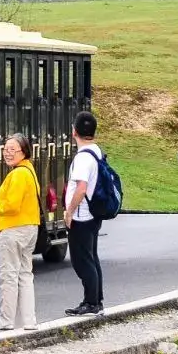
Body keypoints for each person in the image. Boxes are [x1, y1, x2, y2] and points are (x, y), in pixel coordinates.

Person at [0, 134, 39, 331]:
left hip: (13, 230)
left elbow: (12, 205)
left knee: (8, 275)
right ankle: (29, 320)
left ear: (23, 152)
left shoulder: (17, 175)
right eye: (6, 149)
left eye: (12, 150)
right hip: (30, 228)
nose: (8, 153)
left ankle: (6, 319)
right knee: (25, 274)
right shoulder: (29, 171)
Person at [64, 110, 105, 316]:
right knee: (92, 256)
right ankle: (96, 299)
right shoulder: (96, 151)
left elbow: (81, 187)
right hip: (93, 213)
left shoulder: (82, 158)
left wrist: (69, 212)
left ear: (74, 132)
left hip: (82, 214)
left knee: (82, 260)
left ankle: (91, 302)